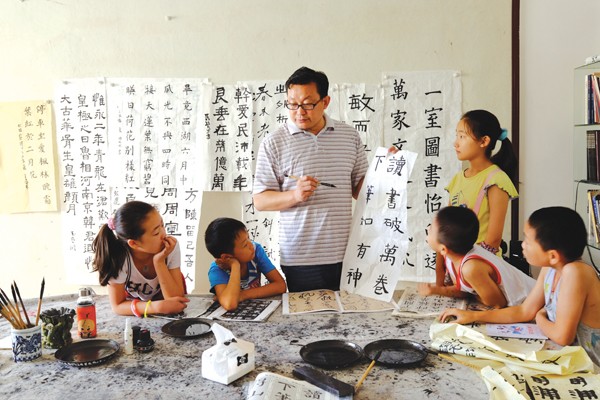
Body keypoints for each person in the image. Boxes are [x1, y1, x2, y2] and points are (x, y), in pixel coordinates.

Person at [252, 66, 369, 292]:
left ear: (325, 102)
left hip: (347, 252)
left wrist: (388, 168)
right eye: (292, 104)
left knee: (349, 312)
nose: (299, 112)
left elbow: (361, 190)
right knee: (307, 314)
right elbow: (260, 200)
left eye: (307, 104)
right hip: (301, 256)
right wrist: (295, 195)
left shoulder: (349, 136)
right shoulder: (274, 142)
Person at [440, 207, 600, 367]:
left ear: (552, 255)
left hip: (592, 363)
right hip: (571, 357)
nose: (523, 245)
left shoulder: (575, 272)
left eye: (528, 241)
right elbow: (524, 311)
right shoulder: (550, 268)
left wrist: (539, 316)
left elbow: (562, 336)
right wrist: (472, 316)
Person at [436, 109, 519, 286]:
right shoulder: (458, 178)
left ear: (484, 141)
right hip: (456, 267)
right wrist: (443, 270)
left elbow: (493, 240)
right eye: (456, 136)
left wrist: (468, 268)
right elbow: (446, 227)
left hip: (480, 268)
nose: (456, 143)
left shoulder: (496, 179)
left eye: (462, 136)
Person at [419, 206, 535, 307]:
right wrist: (436, 290)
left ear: (444, 249)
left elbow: (497, 303)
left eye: (431, 229)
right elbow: (464, 289)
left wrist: (440, 290)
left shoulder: (471, 268)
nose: (428, 229)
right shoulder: (453, 253)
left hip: (534, 302)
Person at [92, 200, 189, 316]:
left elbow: (176, 301)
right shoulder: (118, 257)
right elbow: (117, 305)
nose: (164, 234)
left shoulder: (170, 247)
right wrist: (156, 307)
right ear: (134, 243)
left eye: (162, 225)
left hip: (160, 306)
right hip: (138, 307)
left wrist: (159, 262)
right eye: (156, 233)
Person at [205, 217, 287, 310]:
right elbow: (230, 304)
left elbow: (280, 285)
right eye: (245, 245)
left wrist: (242, 295)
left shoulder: (256, 251)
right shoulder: (217, 270)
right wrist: (235, 265)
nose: (251, 245)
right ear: (227, 257)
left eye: (249, 238)